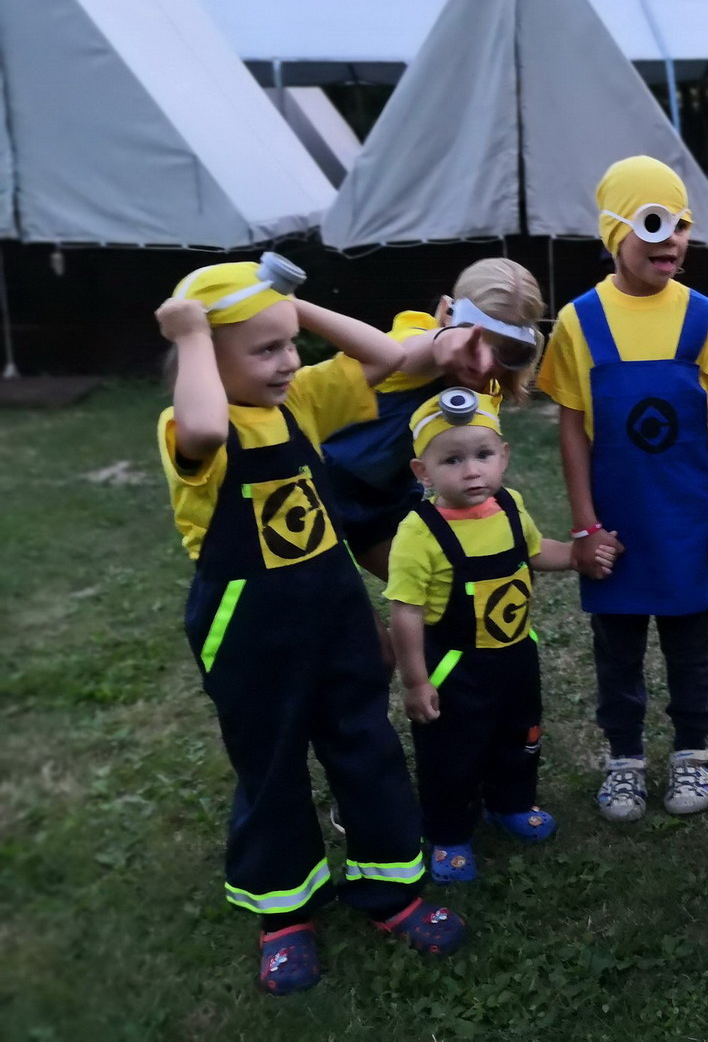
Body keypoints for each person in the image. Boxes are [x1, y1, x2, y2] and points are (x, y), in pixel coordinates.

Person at [155, 256, 466, 996]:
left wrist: (291, 308)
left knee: (366, 746)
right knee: (271, 768)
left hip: (335, 619)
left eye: (289, 343)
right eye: (266, 349)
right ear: (207, 358)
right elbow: (204, 422)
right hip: (250, 635)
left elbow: (388, 355)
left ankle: (391, 889)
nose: (289, 361)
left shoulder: (300, 405)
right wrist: (191, 332)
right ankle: (284, 913)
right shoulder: (189, 426)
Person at [539, 156, 708, 823]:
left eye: (682, 224)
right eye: (654, 224)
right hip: (618, 526)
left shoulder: (704, 317)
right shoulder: (580, 321)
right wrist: (584, 526)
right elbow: (572, 429)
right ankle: (624, 758)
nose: (673, 240)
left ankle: (692, 750)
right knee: (618, 651)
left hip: (688, 521)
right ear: (614, 233)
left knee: (691, 649)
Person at [388, 388, 614, 883]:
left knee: (520, 735)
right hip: (456, 670)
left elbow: (534, 552)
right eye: (452, 460)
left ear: (504, 456)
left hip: (515, 658)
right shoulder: (419, 533)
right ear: (423, 472)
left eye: (483, 455)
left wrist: (576, 557)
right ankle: (449, 832)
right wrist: (415, 681)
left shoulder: (510, 507)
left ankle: (510, 803)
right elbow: (405, 611)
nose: (472, 471)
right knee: (451, 753)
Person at [320, 257, 546, 583]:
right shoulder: (413, 339)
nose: (484, 361)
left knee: (442, 592)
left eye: (507, 350)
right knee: (336, 606)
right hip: (319, 489)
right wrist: (442, 342)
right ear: (445, 312)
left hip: (388, 501)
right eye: (473, 336)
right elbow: (404, 355)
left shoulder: (486, 393)